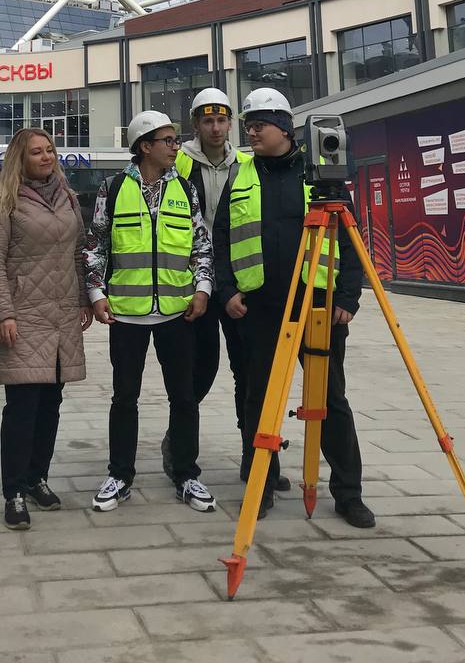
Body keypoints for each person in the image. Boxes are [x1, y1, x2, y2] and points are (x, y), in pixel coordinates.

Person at [213, 87, 375, 527]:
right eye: (247, 125)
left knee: (330, 399)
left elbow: (349, 238)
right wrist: (227, 290)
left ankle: (348, 493)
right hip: (261, 309)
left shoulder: (320, 176)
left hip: (318, 309)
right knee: (259, 399)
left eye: (257, 125)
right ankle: (261, 484)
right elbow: (222, 237)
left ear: (284, 128)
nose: (250, 132)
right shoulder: (241, 174)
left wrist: (347, 296)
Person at [83, 110, 217, 514]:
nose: (177, 147)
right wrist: (96, 293)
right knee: (125, 397)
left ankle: (186, 474)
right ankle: (120, 475)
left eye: (176, 141)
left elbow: (201, 244)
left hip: (178, 313)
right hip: (126, 314)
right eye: (169, 141)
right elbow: (96, 245)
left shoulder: (188, 190)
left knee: (184, 398)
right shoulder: (112, 187)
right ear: (145, 146)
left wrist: (203, 287)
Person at [169, 88, 290, 493]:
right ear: (196, 124)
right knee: (198, 371)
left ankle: (253, 455)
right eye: (208, 121)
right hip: (198, 283)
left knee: (249, 373)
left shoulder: (246, 162)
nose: (216, 128)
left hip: (240, 283)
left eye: (223, 121)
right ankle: (179, 446)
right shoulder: (180, 162)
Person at [0, 128, 92, 531]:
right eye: (36, 153)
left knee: (50, 404)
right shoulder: (2, 203)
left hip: (62, 314)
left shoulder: (69, 198)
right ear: (20, 159)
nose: (46, 157)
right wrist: (3, 314)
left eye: (50, 151)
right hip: (23, 315)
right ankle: (13, 490)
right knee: (23, 407)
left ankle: (36, 478)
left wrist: (83, 297)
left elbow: (78, 253)